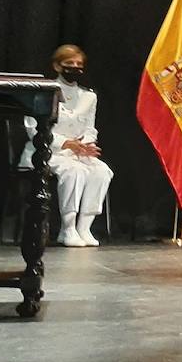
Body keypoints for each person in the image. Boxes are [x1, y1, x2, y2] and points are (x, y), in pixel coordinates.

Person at [20, 44, 112, 248]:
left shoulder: (88, 96)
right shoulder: (42, 92)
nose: (75, 68)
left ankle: (84, 227)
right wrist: (67, 143)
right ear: (57, 66)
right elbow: (33, 129)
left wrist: (87, 144)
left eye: (79, 64)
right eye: (69, 64)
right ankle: (67, 228)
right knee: (75, 172)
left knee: (101, 171)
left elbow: (90, 128)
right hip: (46, 151)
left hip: (77, 151)